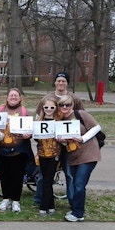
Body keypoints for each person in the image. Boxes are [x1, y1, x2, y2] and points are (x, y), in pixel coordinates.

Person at [33, 71, 83, 206]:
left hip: (67, 143)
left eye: (64, 81)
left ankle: (72, 201)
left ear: (67, 83)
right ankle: (40, 199)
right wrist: (37, 137)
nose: (61, 83)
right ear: (55, 82)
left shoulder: (74, 98)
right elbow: (38, 118)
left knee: (69, 173)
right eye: (58, 81)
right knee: (44, 175)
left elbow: (80, 116)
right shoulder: (46, 98)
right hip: (48, 145)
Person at [57, 95, 101, 222]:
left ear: (72, 105)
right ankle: (77, 209)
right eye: (62, 105)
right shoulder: (61, 121)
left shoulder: (80, 114)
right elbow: (67, 142)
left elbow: (97, 127)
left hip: (89, 154)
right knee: (76, 184)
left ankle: (78, 213)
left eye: (68, 105)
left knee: (79, 184)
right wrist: (63, 141)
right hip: (74, 156)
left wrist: (83, 138)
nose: (65, 107)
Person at [0, 88, 32, 213]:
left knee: (17, 177)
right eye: (11, 95)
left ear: (20, 98)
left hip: (18, 151)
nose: (13, 97)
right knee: (4, 176)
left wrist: (29, 134)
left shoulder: (23, 111)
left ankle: (16, 201)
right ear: (7, 97)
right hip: (2, 150)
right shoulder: (0, 110)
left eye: (16, 95)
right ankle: (5, 199)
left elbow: (30, 128)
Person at [35, 95, 62, 216]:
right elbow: (36, 139)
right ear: (43, 108)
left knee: (47, 181)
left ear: (55, 108)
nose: (49, 109)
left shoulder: (58, 121)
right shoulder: (39, 121)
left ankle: (43, 206)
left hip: (54, 154)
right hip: (42, 154)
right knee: (46, 179)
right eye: (46, 107)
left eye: (52, 107)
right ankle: (51, 205)